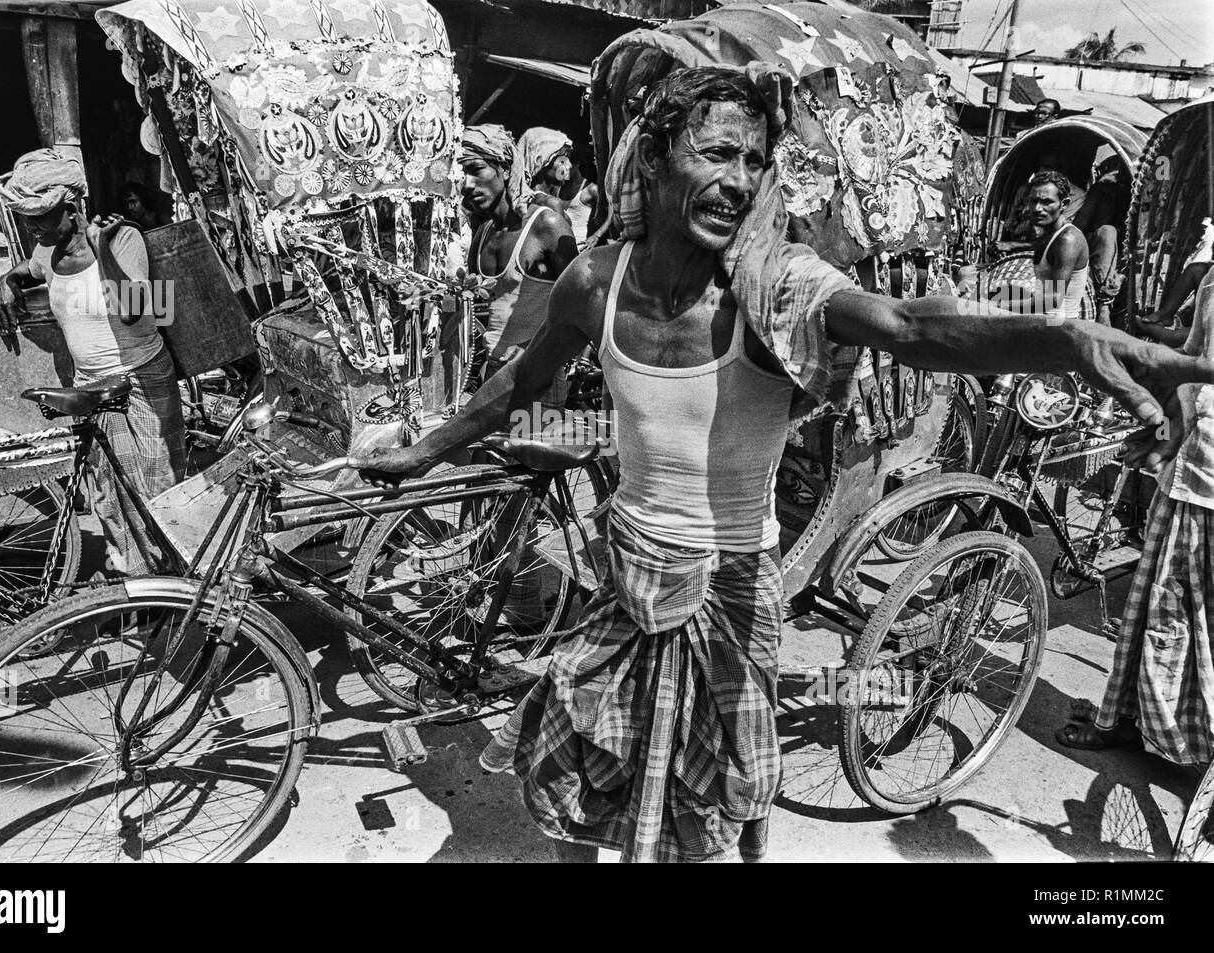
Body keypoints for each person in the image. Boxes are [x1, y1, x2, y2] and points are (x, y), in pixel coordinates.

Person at [350, 67, 1213, 863]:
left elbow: (913, 326)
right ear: (652, 159)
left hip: (733, 585)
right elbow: (521, 382)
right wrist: (421, 454)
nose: (738, 178)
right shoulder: (593, 281)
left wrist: (1061, 338)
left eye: (755, 161)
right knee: (583, 769)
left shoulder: (778, 291)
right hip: (626, 573)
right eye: (717, 151)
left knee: (730, 790)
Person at [0, 149, 185, 577]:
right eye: (27, 218)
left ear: (73, 208)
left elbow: (135, 309)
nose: (32, 226)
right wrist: (5, 280)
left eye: (41, 216)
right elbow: (29, 269)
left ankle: (170, 581)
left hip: (142, 379)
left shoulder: (122, 238)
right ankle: (133, 576)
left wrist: (103, 249)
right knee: (110, 491)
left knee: (154, 485)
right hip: (92, 384)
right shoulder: (48, 251)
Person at [1057, 265, 1214, 767]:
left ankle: (1180, 737)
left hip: (1206, 477)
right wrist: (1162, 427)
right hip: (1191, 461)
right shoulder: (1212, 279)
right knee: (1154, 605)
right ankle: (1132, 719)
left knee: (1179, 612)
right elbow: (1193, 364)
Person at [460, 124, 578, 415]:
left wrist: (530, 347)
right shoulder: (484, 232)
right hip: (489, 378)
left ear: (504, 167)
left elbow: (581, 307)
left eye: (476, 169)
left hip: (538, 382)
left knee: (528, 460)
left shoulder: (546, 225)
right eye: (460, 174)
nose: (467, 184)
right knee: (481, 460)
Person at [990, 170, 1091, 323]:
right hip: (1043, 322)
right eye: (1033, 201)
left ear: (1064, 204)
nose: (1037, 208)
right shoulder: (1048, 234)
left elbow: (1053, 299)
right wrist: (1012, 247)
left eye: (1047, 202)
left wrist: (1001, 306)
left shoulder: (1068, 240)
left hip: (1060, 327)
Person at [1073, 155, 1126, 326]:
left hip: (1129, 248)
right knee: (1108, 232)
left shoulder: (1147, 193)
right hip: (1096, 245)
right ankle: (1104, 302)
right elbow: (1080, 225)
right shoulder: (1101, 190)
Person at [509, 127, 574, 218]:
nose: (569, 165)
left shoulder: (520, 201)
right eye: (562, 160)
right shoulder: (551, 204)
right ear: (543, 162)